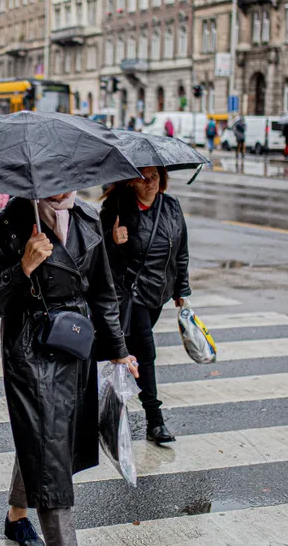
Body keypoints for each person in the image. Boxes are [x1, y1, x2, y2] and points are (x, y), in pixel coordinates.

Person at [0, 193, 138, 546]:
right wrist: (23, 268)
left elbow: (103, 293)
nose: (63, 187)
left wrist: (118, 351)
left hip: (76, 343)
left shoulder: (87, 217)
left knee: (44, 436)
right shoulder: (5, 224)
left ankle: (16, 516)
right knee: (49, 450)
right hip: (30, 350)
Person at [100, 165, 190, 447]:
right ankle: (155, 420)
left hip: (157, 293)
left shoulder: (171, 206)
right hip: (129, 293)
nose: (149, 182)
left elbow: (181, 250)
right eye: (142, 177)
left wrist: (181, 289)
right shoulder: (116, 207)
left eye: (155, 177)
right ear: (129, 181)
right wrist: (112, 241)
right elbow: (96, 254)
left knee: (130, 353)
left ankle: (109, 409)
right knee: (146, 351)